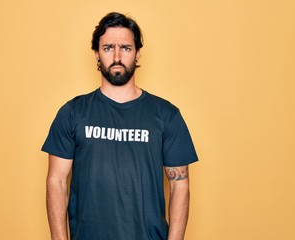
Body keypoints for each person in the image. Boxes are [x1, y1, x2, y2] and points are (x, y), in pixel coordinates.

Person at [42, 12, 198, 240]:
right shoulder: (72, 113)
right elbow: (56, 182)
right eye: (108, 48)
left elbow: (180, 186)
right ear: (97, 53)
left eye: (125, 48)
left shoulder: (166, 115)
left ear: (137, 53)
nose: (117, 56)